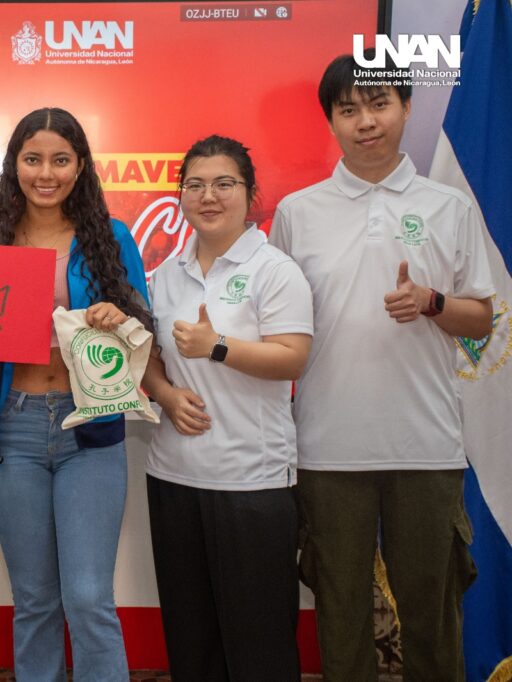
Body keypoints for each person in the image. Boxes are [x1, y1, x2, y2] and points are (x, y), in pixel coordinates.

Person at [269, 53, 494, 681]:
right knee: (340, 612)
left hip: (425, 446)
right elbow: (278, 321)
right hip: (326, 448)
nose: (366, 121)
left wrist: (431, 302)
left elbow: (482, 319)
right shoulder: (297, 212)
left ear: (406, 108)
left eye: (379, 104)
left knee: (431, 611)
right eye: (349, 110)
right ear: (331, 122)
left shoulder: (448, 206)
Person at [0, 107, 149, 681]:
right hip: (10, 431)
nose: (46, 172)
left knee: (89, 596)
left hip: (87, 429)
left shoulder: (111, 237)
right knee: (35, 599)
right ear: (13, 165)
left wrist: (121, 314)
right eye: (33, 159)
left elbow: (146, 322)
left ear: (80, 165)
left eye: (60, 160)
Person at [142, 135, 313, 681]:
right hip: (173, 477)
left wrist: (219, 346)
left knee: (259, 644)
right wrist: (165, 395)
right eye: (195, 185)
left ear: (250, 193)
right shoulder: (166, 274)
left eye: (223, 184)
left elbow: (293, 359)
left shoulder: (275, 270)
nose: (208, 196)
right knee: (192, 644)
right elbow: (144, 357)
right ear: (181, 196)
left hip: (253, 483)